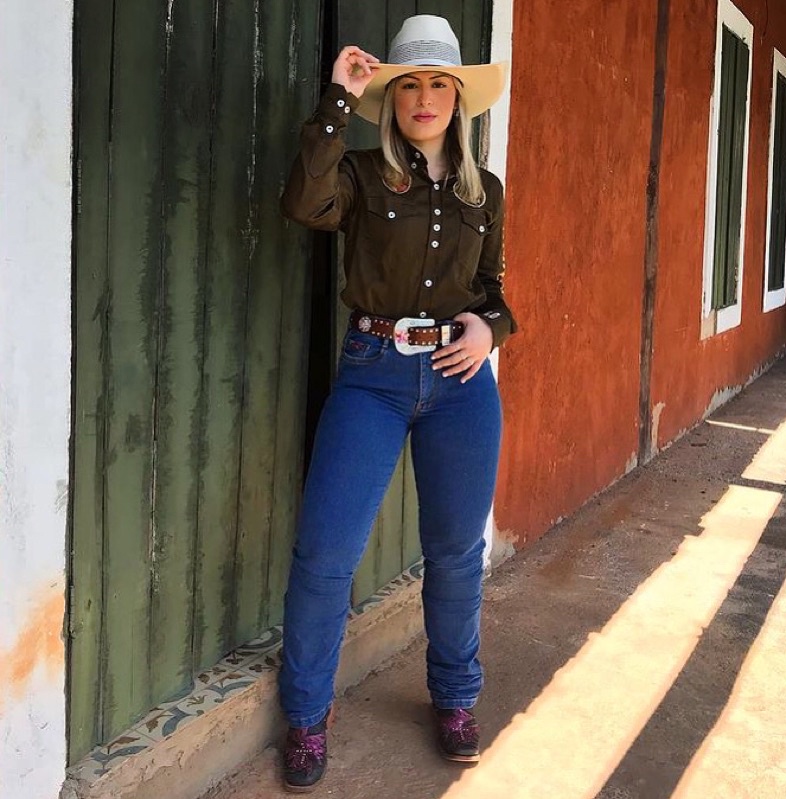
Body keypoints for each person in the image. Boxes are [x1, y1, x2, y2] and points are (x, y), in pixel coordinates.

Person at [278, 14, 516, 792]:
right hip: (373, 373)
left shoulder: (487, 192)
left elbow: (496, 293)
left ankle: (453, 699)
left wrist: (490, 327)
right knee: (325, 555)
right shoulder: (356, 171)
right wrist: (337, 101)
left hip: (459, 384)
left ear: (457, 97)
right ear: (392, 98)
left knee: (454, 555)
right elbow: (303, 206)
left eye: (437, 84)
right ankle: (307, 716)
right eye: (407, 84)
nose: (422, 97)